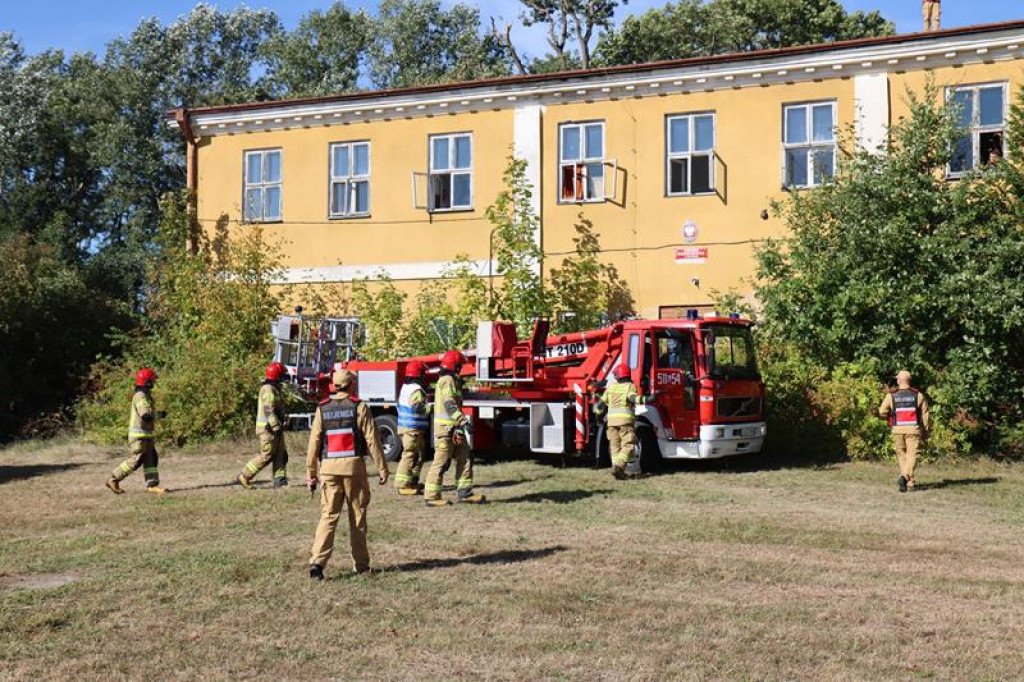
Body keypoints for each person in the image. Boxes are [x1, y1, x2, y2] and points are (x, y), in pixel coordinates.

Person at [307, 369, 389, 580]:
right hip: (354, 470)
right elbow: (372, 440)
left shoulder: (322, 408)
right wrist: (382, 468)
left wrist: (311, 473)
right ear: (351, 384)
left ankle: (317, 563)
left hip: (328, 470)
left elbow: (314, 442)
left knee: (328, 516)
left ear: (334, 385)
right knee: (357, 517)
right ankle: (361, 566)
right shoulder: (359, 406)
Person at [423, 350, 486, 506]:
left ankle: (465, 493)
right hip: (445, 430)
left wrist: (459, 427)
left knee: (466, 456)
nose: (461, 368)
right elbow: (449, 404)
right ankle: (431, 496)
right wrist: (463, 422)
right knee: (441, 462)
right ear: (455, 365)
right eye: (460, 365)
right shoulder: (447, 380)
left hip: (453, 429)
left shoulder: (451, 380)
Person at [106, 368, 165, 495]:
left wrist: (159, 414)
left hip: (146, 435)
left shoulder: (146, 395)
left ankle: (152, 485)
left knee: (151, 458)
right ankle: (113, 479)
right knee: (137, 460)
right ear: (146, 382)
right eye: (152, 380)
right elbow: (145, 415)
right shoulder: (140, 396)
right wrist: (156, 416)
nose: (154, 383)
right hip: (139, 436)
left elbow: (148, 413)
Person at [878, 370, 932, 492]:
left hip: (897, 429)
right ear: (909, 381)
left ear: (899, 381)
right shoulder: (918, 395)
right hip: (913, 430)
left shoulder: (891, 396)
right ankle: (906, 477)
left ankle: (908, 481)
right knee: (913, 454)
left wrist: (889, 415)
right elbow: (925, 415)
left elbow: (882, 411)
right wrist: (926, 430)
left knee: (902, 455)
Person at [238, 362, 289, 489]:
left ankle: (280, 482)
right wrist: (275, 426)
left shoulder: (274, 389)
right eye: (282, 375)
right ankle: (245, 476)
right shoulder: (268, 389)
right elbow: (268, 409)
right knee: (266, 455)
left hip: (275, 429)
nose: (284, 378)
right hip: (268, 430)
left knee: (280, 455)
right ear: (277, 376)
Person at [596, 364, 641, 480]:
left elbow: (599, 405)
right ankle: (619, 466)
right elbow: (632, 398)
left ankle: (618, 472)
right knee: (628, 445)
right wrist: (646, 399)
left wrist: (598, 415)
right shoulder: (630, 386)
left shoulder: (611, 387)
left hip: (611, 423)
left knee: (615, 447)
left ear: (617, 375)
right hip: (625, 422)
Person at [395, 360, 430, 496]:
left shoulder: (406, 387)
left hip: (408, 428)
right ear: (419, 374)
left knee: (419, 456)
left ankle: (412, 481)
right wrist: (431, 408)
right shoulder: (416, 389)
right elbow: (417, 407)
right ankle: (402, 485)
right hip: (412, 429)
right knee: (409, 455)